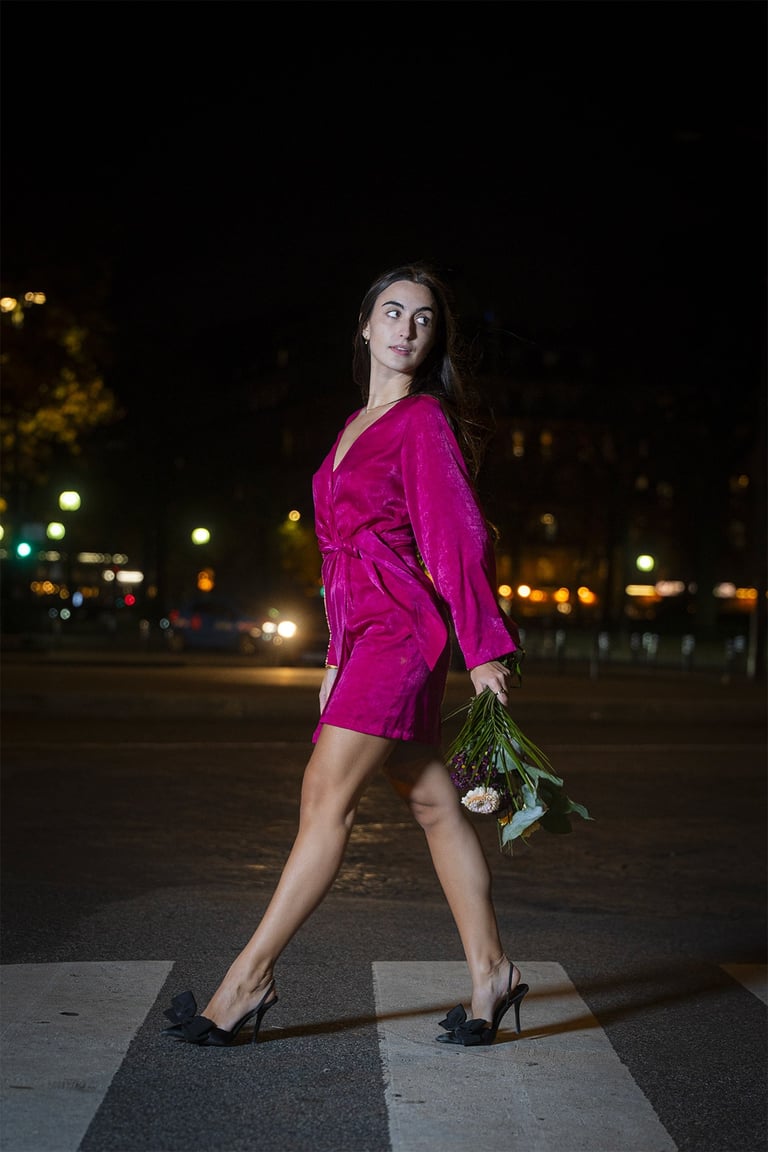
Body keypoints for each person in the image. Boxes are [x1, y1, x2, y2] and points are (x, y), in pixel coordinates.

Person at [161, 262, 529, 1049]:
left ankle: (248, 981)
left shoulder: (422, 421)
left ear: (433, 343)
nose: (405, 328)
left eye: (423, 319)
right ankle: (492, 972)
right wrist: (334, 652)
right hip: (366, 637)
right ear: (365, 326)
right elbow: (338, 561)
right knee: (434, 804)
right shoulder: (350, 430)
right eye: (392, 312)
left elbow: (454, 536)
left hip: (403, 635)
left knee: (323, 797)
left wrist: (484, 643)